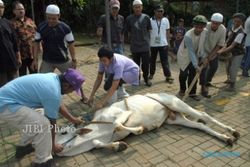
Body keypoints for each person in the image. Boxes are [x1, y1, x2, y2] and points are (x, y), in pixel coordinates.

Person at [0, 68, 84, 166]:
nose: (71, 92)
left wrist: (73, 120)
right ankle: (43, 161)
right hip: (6, 104)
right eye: (73, 89)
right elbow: (52, 122)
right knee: (44, 124)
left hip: (8, 100)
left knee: (38, 115)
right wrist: (53, 146)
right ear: (66, 85)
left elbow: (58, 104)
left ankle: (24, 146)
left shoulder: (54, 79)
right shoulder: (52, 91)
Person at [31, 4, 77, 73]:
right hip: (47, 61)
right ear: (46, 15)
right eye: (49, 18)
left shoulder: (65, 28)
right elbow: (36, 42)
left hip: (63, 60)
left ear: (59, 16)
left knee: (72, 79)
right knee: (43, 80)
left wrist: (74, 59)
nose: (51, 21)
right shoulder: (41, 27)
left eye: (54, 19)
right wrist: (35, 59)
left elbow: (71, 44)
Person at [177, 15, 207, 101]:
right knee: (183, 74)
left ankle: (192, 93)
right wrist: (196, 65)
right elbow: (190, 51)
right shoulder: (188, 35)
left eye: (201, 27)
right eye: (196, 27)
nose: (198, 29)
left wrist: (204, 57)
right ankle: (182, 89)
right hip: (184, 55)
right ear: (193, 25)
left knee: (193, 74)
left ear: (204, 27)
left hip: (196, 55)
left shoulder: (205, 32)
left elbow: (203, 46)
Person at [125, 0, 152, 87]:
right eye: (136, 7)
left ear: (142, 7)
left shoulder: (146, 17)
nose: (137, 9)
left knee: (145, 64)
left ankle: (146, 79)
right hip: (135, 46)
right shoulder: (129, 18)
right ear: (133, 8)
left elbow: (149, 30)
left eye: (139, 7)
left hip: (145, 46)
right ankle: (136, 79)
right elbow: (128, 32)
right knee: (135, 65)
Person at [200, 13, 226, 98]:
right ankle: (203, 87)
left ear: (220, 23)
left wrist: (210, 57)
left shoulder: (223, 30)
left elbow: (219, 45)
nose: (215, 25)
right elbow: (201, 41)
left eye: (217, 23)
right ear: (211, 21)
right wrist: (204, 57)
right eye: (213, 22)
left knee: (214, 67)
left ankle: (207, 81)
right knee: (204, 68)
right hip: (203, 49)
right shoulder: (205, 27)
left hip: (214, 50)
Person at [217, 13, 246, 91]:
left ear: (242, 22)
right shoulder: (232, 28)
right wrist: (222, 48)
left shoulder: (241, 32)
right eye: (235, 21)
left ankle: (232, 85)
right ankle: (229, 79)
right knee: (228, 66)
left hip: (238, 53)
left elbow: (232, 45)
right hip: (231, 52)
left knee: (233, 68)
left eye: (238, 22)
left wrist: (221, 51)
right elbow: (227, 41)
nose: (236, 23)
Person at [11, 1, 37, 76]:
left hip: (32, 53)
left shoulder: (30, 21)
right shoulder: (11, 23)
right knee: (23, 76)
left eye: (22, 9)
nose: (21, 11)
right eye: (18, 9)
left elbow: (36, 35)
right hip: (21, 55)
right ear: (14, 11)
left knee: (34, 75)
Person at [149, 5, 174, 84]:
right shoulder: (150, 20)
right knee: (152, 60)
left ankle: (168, 76)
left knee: (165, 61)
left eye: (161, 11)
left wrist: (169, 42)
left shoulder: (166, 20)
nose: (160, 13)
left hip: (163, 44)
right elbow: (147, 32)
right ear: (155, 11)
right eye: (158, 11)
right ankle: (151, 74)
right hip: (153, 44)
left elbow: (168, 31)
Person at [0, 0, 21, 87]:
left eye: (2, 7)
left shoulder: (7, 22)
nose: (0, 9)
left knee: (15, 85)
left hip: (11, 61)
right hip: (0, 66)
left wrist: (18, 56)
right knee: (3, 88)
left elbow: (14, 41)